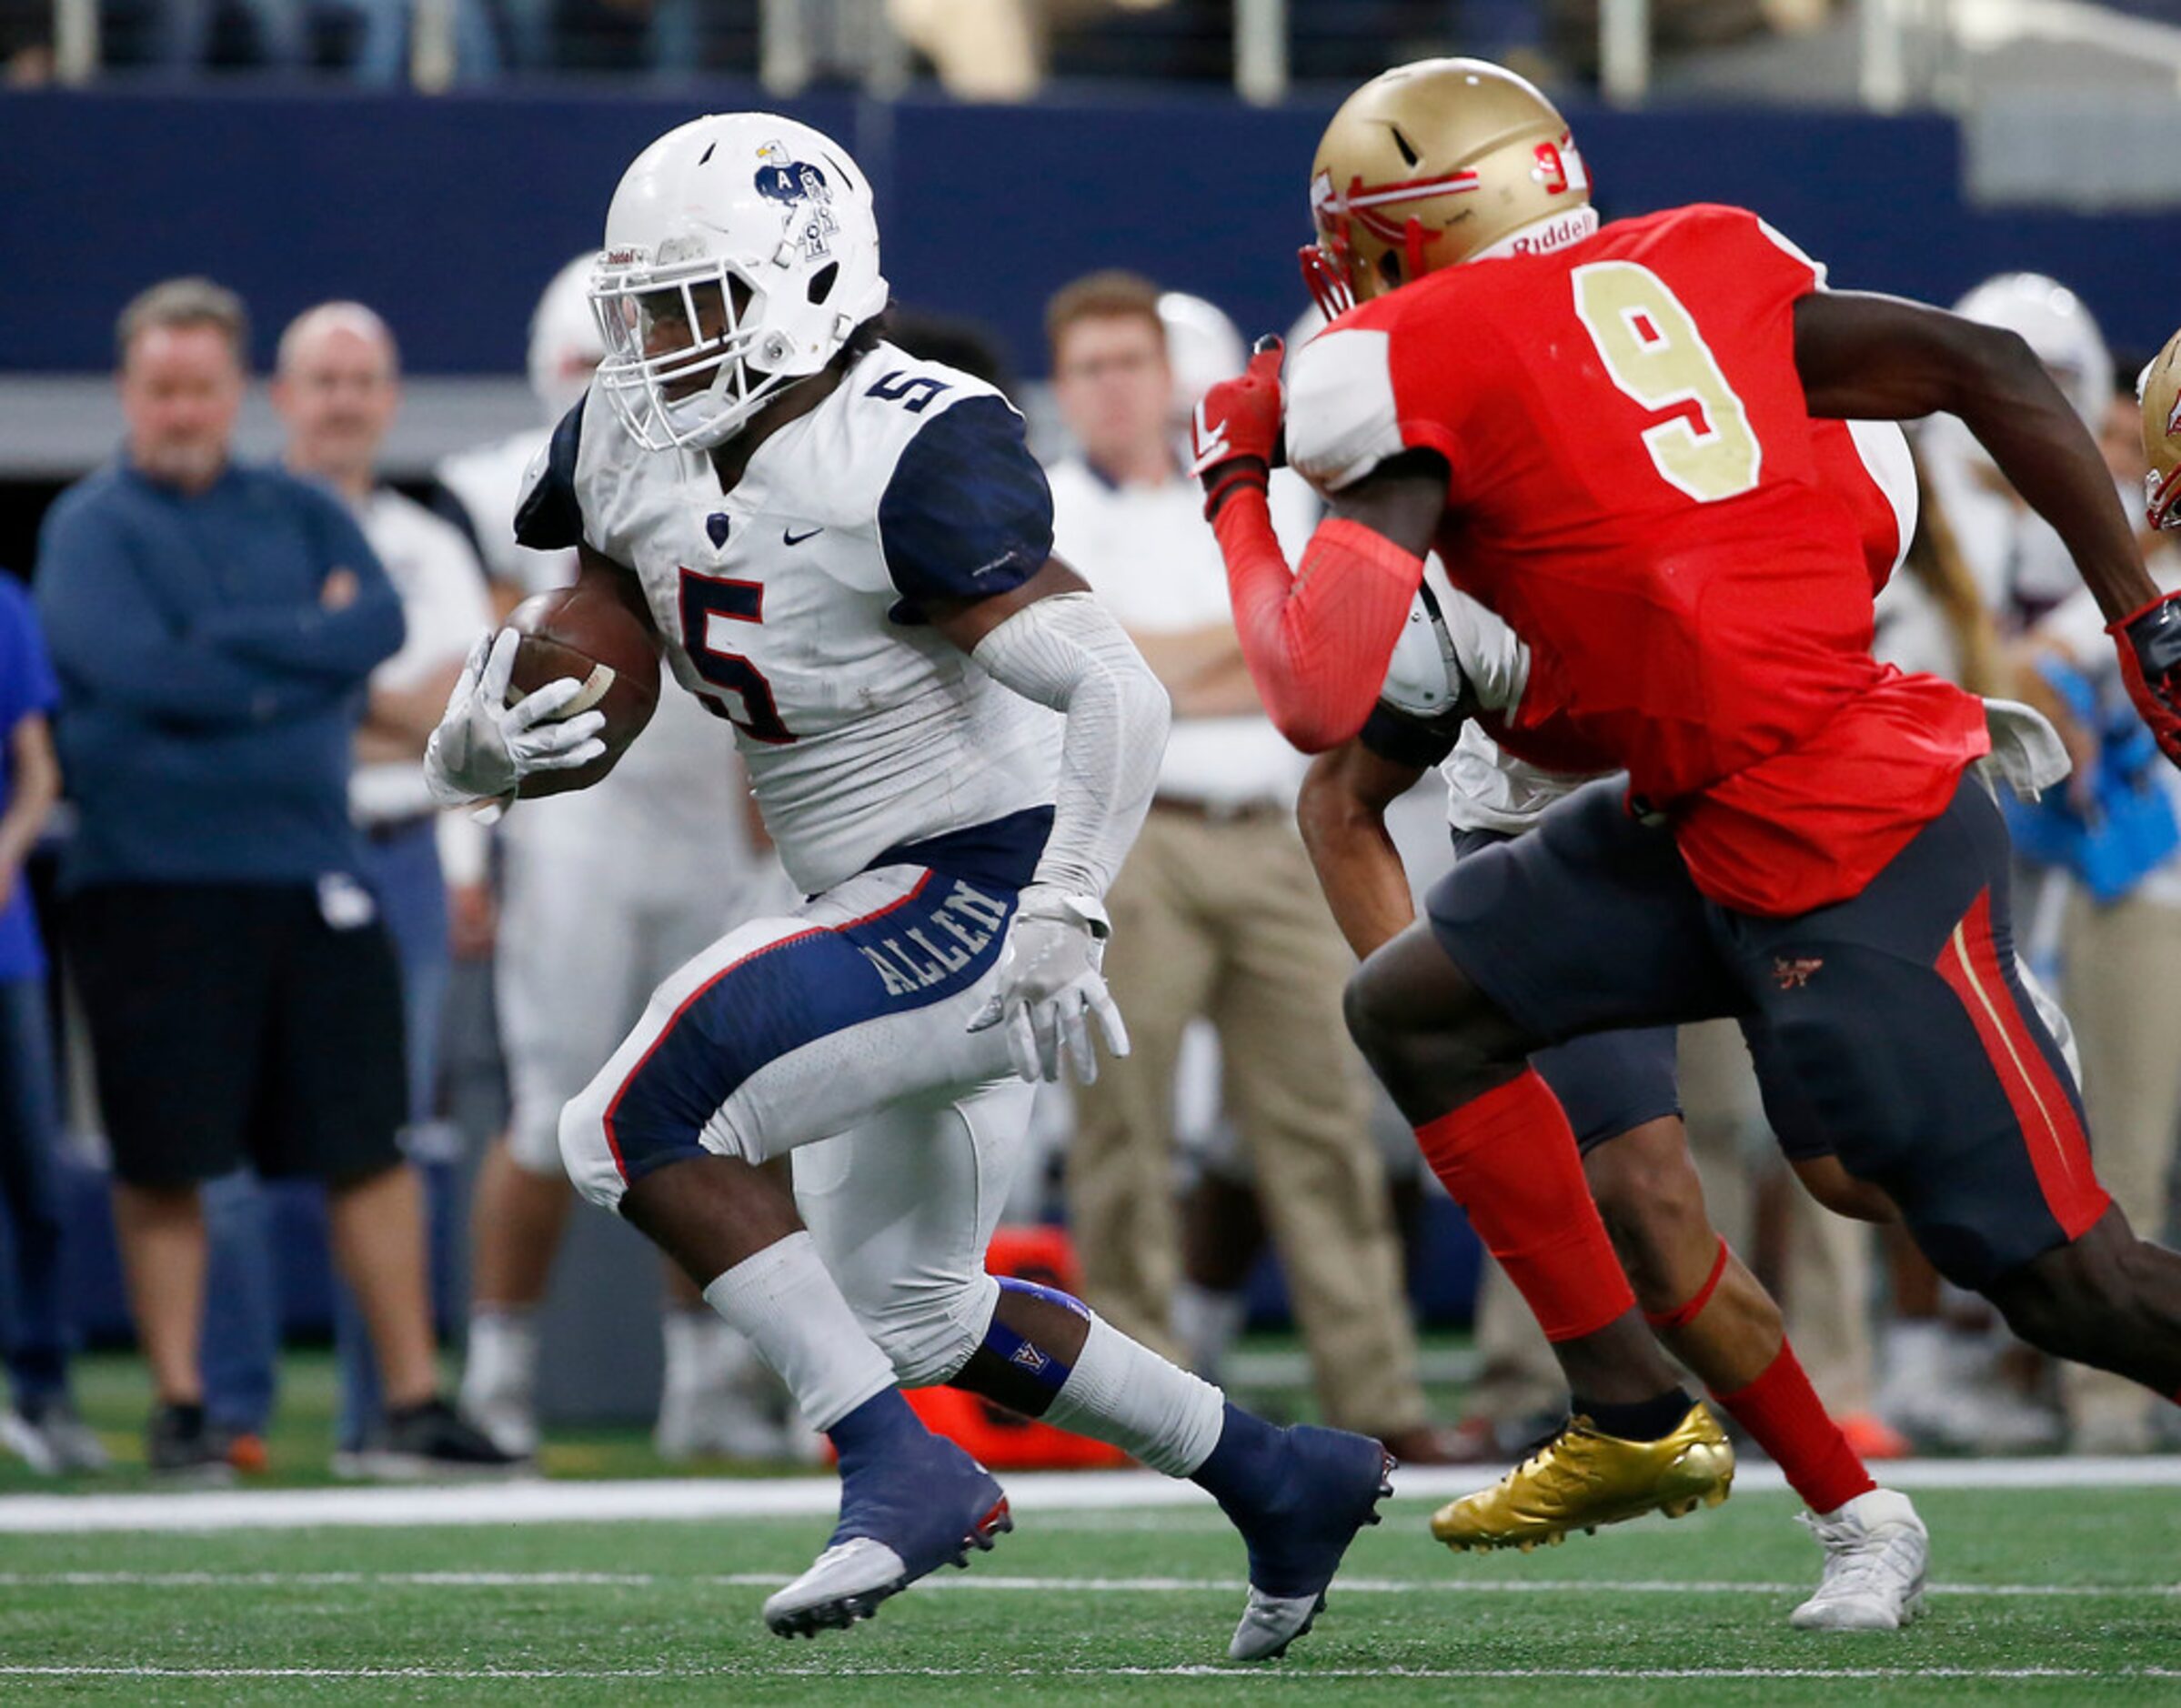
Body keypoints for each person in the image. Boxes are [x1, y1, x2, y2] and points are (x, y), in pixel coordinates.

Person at [422, 114, 1392, 1660]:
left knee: (618, 1119)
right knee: (921, 1313)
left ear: (806, 285)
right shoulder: (625, 423)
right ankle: (1279, 1472)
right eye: (645, 307)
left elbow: (1116, 694)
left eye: (696, 305)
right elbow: (610, 597)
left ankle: (894, 1460)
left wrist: (1070, 904)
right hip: (863, 887)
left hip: (983, 881)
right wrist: (500, 738)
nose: (659, 344)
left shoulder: (912, 440)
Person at [1192, 55, 2181, 1552]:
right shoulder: (1703, 264)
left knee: (2058, 1278)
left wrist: (1232, 487)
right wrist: (2139, 621)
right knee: (1418, 1007)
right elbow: (1981, 366)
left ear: (1411, 233)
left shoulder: (1413, 368)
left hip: (1838, 820)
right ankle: (1625, 1408)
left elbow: (1309, 696)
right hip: (1689, 805)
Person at [1301, 414, 1956, 1627]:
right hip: (1558, 847)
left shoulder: (1812, 464)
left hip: (1758, 812)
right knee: (1646, 1202)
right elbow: (1342, 803)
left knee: (1862, 1175)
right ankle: (1857, 1515)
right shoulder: (1445, 571)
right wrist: (1441, 1019)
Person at [35, 277, 514, 1480]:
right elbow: (128, 670)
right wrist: (288, 656)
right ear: (127, 390)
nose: (184, 409)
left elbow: (372, 627)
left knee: (369, 1139)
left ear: (235, 391)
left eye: (201, 386)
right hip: (146, 881)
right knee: (172, 1154)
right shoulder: (88, 523)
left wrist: (228, 651)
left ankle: (408, 1402)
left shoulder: (294, 509)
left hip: (313, 869)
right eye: (162, 388)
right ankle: (190, 1402)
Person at [1042, 269, 1455, 1463]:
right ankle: (1137, 1404)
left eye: (1131, 364)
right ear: (1061, 386)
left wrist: (1175, 660)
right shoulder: (1045, 511)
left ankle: (1377, 1396)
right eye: (1089, 368)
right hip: (1135, 833)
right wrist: (1247, 651)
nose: (1113, 388)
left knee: (1319, 1118)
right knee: (1122, 1128)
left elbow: (1320, 651)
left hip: (1274, 830)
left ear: (1167, 377)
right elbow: (1109, 662)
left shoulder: (1243, 498)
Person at [438, 256, 796, 1464]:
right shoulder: (506, 486)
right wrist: (467, 845)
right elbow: (493, 677)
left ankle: (702, 1379)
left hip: (706, 815)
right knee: (546, 1118)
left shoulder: (740, 466)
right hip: (575, 821)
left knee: (723, 1112)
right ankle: (496, 1376)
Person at [266, 299, 498, 1470]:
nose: (345, 401)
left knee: (388, 1135)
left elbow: (464, 722)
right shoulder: (246, 532)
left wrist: (317, 683)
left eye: (363, 380)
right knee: (247, 1142)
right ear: (284, 396)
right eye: (324, 380)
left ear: (390, 398)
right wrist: (390, 700)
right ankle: (227, 1415)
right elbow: (245, 696)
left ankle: (385, 1415)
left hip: (408, 856)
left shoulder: (428, 542)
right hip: (277, 846)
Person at [0, 573, 104, 1475]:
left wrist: (4, 855)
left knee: (34, 1179)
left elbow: (38, 768)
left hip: (6, 949)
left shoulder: (2, 601)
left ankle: (43, 1388)